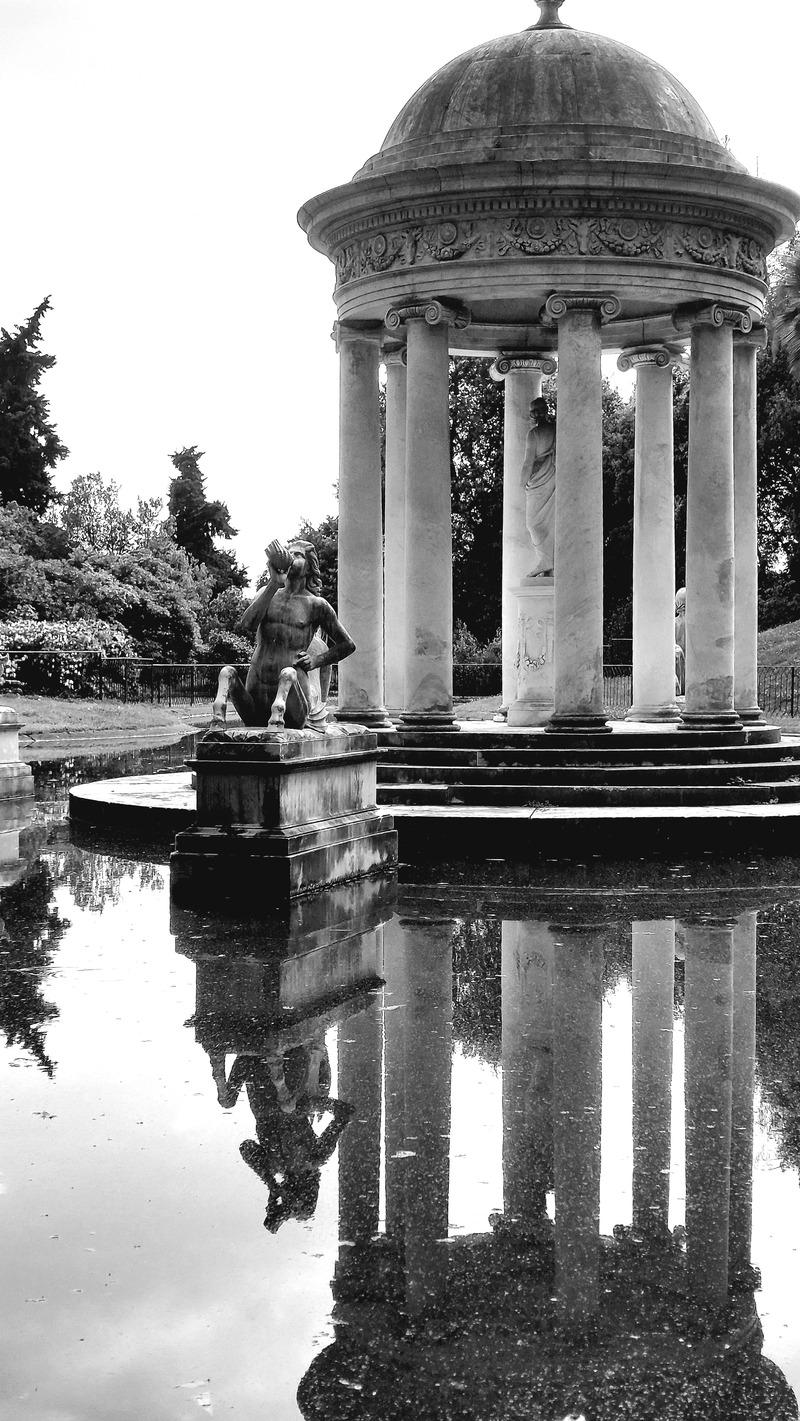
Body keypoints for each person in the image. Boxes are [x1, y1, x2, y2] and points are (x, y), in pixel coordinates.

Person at [211, 538, 355, 731]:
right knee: (227, 673)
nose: (291, 557)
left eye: (298, 555)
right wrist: (273, 584)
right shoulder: (267, 593)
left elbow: (347, 644)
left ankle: (278, 711)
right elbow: (246, 624)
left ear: (310, 567)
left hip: (292, 697)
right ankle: (218, 716)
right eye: (289, 553)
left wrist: (316, 660)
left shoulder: (317, 605)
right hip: (257, 690)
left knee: (288, 674)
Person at [521, 396, 556, 579]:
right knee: (541, 523)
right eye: (534, 411)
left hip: (542, 479)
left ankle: (546, 560)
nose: (537, 414)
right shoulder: (555, 430)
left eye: (538, 410)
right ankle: (548, 562)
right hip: (544, 478)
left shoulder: (533, 434)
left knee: (533, 523)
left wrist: (521, 483)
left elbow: (528, 463)